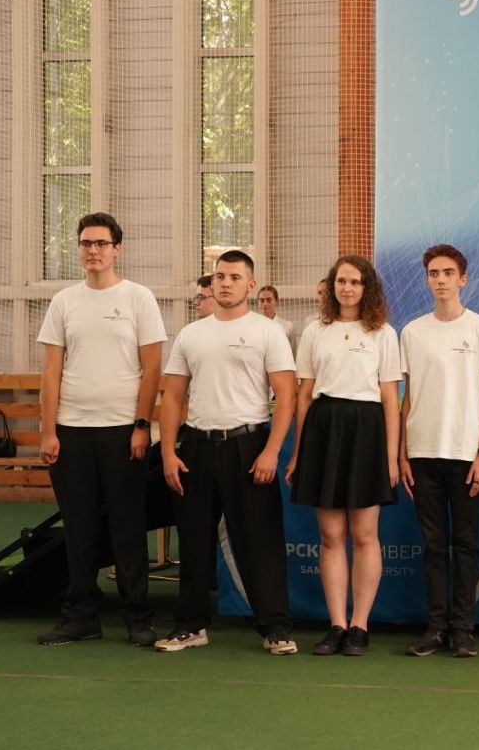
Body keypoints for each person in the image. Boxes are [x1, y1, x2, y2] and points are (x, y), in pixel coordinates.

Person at [155, 249, 297, 655]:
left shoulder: (267, 332)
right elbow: (172, 396)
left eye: (234, 277)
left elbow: (286, 395)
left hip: (249, 447)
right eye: (220, 276)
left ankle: (275, 628)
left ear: (250, 285)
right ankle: (191, 625)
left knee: (260, 540)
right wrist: (168, 453)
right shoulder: (191, 334)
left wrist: (271, 451)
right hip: (196, 448)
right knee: (194, 540)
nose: (226, 283)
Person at [36, 212, 166, 646]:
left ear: (117, 249)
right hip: (71, 431)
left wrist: (141, 425)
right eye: (86, 243)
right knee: (78, 529)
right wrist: (48, 430)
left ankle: (138, 616)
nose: (93, 251)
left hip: (123, 432)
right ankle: (82, 616)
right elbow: (51, 370)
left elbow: (152, 368)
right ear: (79, 249)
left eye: (101, 244)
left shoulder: (138, 298)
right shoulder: (64, 302)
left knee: (127, 526)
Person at [287, 255, 400, 657]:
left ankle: (359, 626)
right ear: (331, 286)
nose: (347, 288)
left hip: (366, 432)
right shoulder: (314, 331)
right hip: (324, 431)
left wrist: (390, 457)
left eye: (354, 282)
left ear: (367, 288)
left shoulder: (383, 333)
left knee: (365, 535)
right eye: (341, 281)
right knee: (331, 536)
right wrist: (299, 452)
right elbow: (304, 395)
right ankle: (336, 624)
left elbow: (390, 398)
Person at [399, 244, 479, 658]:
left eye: (448, 273)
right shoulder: (412, 332)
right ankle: (436, 627)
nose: (440, 280)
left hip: (465, 455)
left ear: (463, 279)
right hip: (422, 454)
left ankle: (463, 629)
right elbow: (407, 397)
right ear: (427, 280)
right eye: (433, 273)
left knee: (466, 544)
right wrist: (402, 454)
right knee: (433, 546)